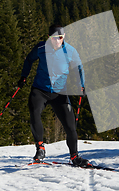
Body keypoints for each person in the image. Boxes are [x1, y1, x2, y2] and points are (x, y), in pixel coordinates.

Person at [18, 24, 90, 167]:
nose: (57, 41)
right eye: (54, 38)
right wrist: (24, 76)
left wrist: (82, 85)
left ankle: (74, 156)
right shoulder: (41, 48)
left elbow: (79, 67)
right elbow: (29, 59)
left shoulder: (70, 51)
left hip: (60, 93)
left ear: (64, 37)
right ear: (49, 38)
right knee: (34, 112)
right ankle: (40, 148)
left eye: (60, 38)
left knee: (70, 127)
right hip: (40, 90)